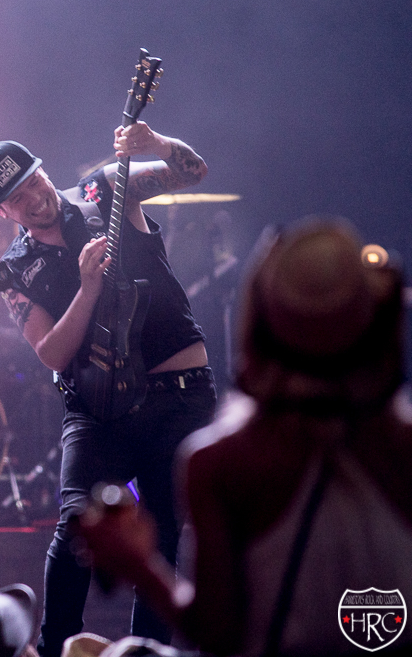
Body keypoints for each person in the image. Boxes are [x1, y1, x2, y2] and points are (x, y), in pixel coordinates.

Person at [77, 218, 412, 656]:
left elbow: (217, 634)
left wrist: (138, 564)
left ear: (259, 320)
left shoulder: (220, 461)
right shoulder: (403, 446)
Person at [0, 123, 215, 654]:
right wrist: (87, 288)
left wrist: (156, 144)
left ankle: (147, 652)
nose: (34, 198)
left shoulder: (107, 189)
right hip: (97, 407)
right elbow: (51, 353)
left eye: (34, 181)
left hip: (178, 392)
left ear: (43, 169)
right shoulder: (17, 269)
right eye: (17, 198)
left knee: (162, 535)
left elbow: (194, 171)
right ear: (1, 212)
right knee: (75, 524)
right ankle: (55, 648)